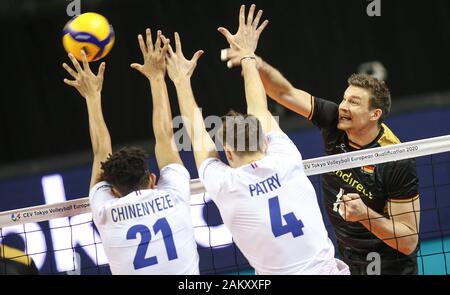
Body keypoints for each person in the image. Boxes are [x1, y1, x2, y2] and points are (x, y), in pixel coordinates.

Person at [221, 19, 421, 275]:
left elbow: (408, 242)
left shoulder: (395, 158)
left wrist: (365, 215)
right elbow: (285, 93)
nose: (344, 106)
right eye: (345, 98)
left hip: (391, 269)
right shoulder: (335, 119)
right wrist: (255, 62)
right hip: (346, 263)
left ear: (375, 114)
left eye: (355, 102)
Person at [164, 4, 349, 275]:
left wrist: (180, 81)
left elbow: (195, 132)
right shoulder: (286, 158)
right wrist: (248, 55)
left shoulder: (224, 183)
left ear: (227, 153)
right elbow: (258, 107)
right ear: (264, 142)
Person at [62, 30, 199, 275]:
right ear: (152, 179)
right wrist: (157, 77)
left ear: (114, 190)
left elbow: (99, 151)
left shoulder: (105, 210)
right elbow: (165, 138)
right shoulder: (175, 194)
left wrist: (92, 97)